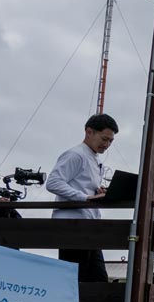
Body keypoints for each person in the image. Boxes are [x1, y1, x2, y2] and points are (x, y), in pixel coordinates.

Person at [46, 113, 118, 283]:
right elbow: (53, 182)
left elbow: (82, 186)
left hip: (88, 225)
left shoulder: (93, 158)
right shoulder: (76, 154)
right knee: (77, 279)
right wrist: (85, 197)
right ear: (89, 132)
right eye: (104, 139)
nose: (107, 144)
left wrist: (96, 192)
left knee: (98, 280)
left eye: (110, 141)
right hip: (73, 225)